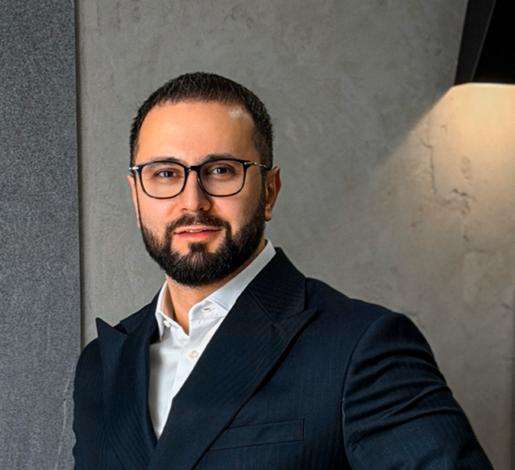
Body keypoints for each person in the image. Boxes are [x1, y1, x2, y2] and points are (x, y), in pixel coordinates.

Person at [72, 72, 493, 470]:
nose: (192, 201)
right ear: (137, 196)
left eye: (221, 171)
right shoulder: (102, 366)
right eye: (165, 174)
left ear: (269, 192)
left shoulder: (360, 347)